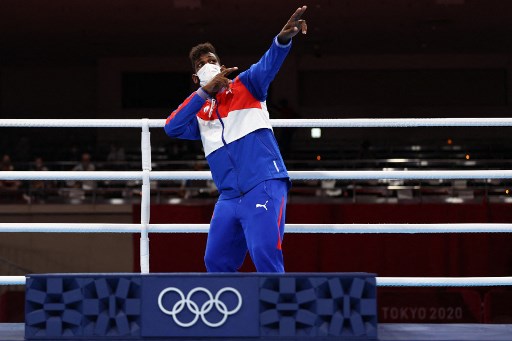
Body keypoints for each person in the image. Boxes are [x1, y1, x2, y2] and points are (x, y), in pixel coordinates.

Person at [164, 6, 307, 273]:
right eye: (200, 64)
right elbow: (172, 127)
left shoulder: (247, 84)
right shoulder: (200, 113)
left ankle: (277, 313)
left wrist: (283, 39)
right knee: (215, 262)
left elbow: (269, 62)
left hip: (263, 184)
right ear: (196, 78)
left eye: (211, 60)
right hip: (229, 197)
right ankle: (230, 315)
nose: (207, 65)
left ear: (220, 65)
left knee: (265, 254)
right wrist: (205, 93)